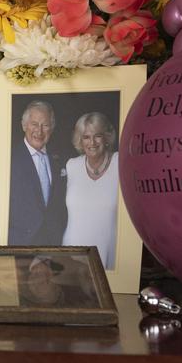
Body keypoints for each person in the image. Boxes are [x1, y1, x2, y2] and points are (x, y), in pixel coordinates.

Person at [61, 111, 120, 269]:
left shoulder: (119, 163)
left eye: (97, 136)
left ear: (107, 137)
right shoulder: (71, 165)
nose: (92, 142)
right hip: (72, 252)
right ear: (80, 140)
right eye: (86, 137)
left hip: (110, 252)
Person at [8, 100, 67, 245]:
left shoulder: (59, 159)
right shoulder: (9, 158)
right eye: (34, 124)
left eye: (45, 125)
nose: (39, 131)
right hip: (20, 244)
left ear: (51, 128)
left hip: (53, 243)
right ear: (24, 125)